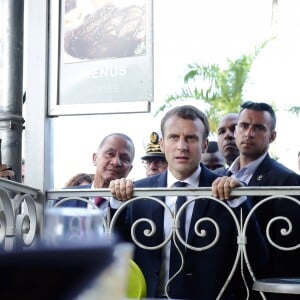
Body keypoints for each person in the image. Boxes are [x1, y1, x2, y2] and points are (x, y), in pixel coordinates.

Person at [109, 105, 267, 299]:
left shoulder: (228, 190)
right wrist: (115, 203)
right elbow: (113, 252)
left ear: (204, 145)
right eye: (174, 137)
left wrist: (238, 202)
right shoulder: (138, 192)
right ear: (162, 144)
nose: (181, 146)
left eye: (191, 138)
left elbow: (257, 259)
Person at [228, 101, 300, 295]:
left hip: (260, 288)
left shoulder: (287, 180)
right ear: (236, 130)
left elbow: (286, 250)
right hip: (222, 287)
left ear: (272, 136)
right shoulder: (219, 176)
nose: (249, 133)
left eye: (258, 128)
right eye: (243, 126)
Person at [58, 133, 135, 209]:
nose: (116, 162)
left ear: (129, 169)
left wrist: (118, 203)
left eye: (124, 158)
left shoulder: (136, 204)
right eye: (110, 154)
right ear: (95, 158)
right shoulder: (66, 198)